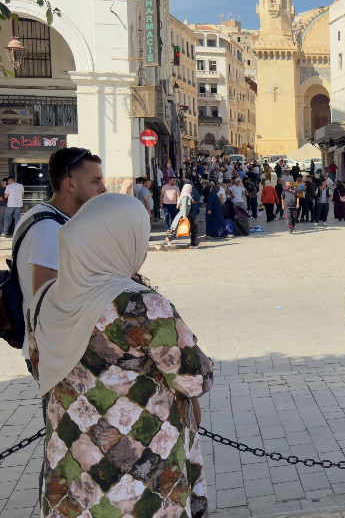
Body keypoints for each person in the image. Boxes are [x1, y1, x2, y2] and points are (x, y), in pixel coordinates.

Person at [27, 194, 213, 518]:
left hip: (70, 465)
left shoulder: (43, 299)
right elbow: (194, 378)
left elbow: (37, 365)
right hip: (140, 476)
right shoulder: (139, 306)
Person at [14, 147, 106, 364]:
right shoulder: (49, 231)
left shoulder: (43, 214)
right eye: (95, 181)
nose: (103, 189)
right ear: (70, 184)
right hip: (56, 354)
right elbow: (46, 303)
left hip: (56, 349)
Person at [166, 183, 199, 248]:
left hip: (188, 214)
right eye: (191, 188)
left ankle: (170, 238)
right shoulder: (185, 196)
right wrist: (184, 216)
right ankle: (192, 244)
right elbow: (184, 206)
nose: (192, 190)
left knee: (190, 228)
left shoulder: (186, 195)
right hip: (186, 215)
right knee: (190, 229)